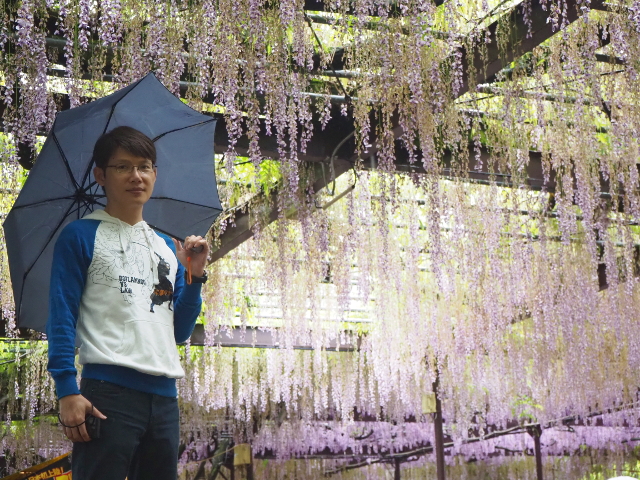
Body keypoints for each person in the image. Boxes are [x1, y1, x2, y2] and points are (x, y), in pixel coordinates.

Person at [46, 126, 209, 480]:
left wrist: (194, 276)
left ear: (154, 174)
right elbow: (61, 313)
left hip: (164, 399)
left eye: (144, 166)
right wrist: (66, 389)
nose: (136, 176)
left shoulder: (167, 247)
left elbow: (178, 332)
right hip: (107, 392)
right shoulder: (80, 235)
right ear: (100, 175)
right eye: (123, 167)